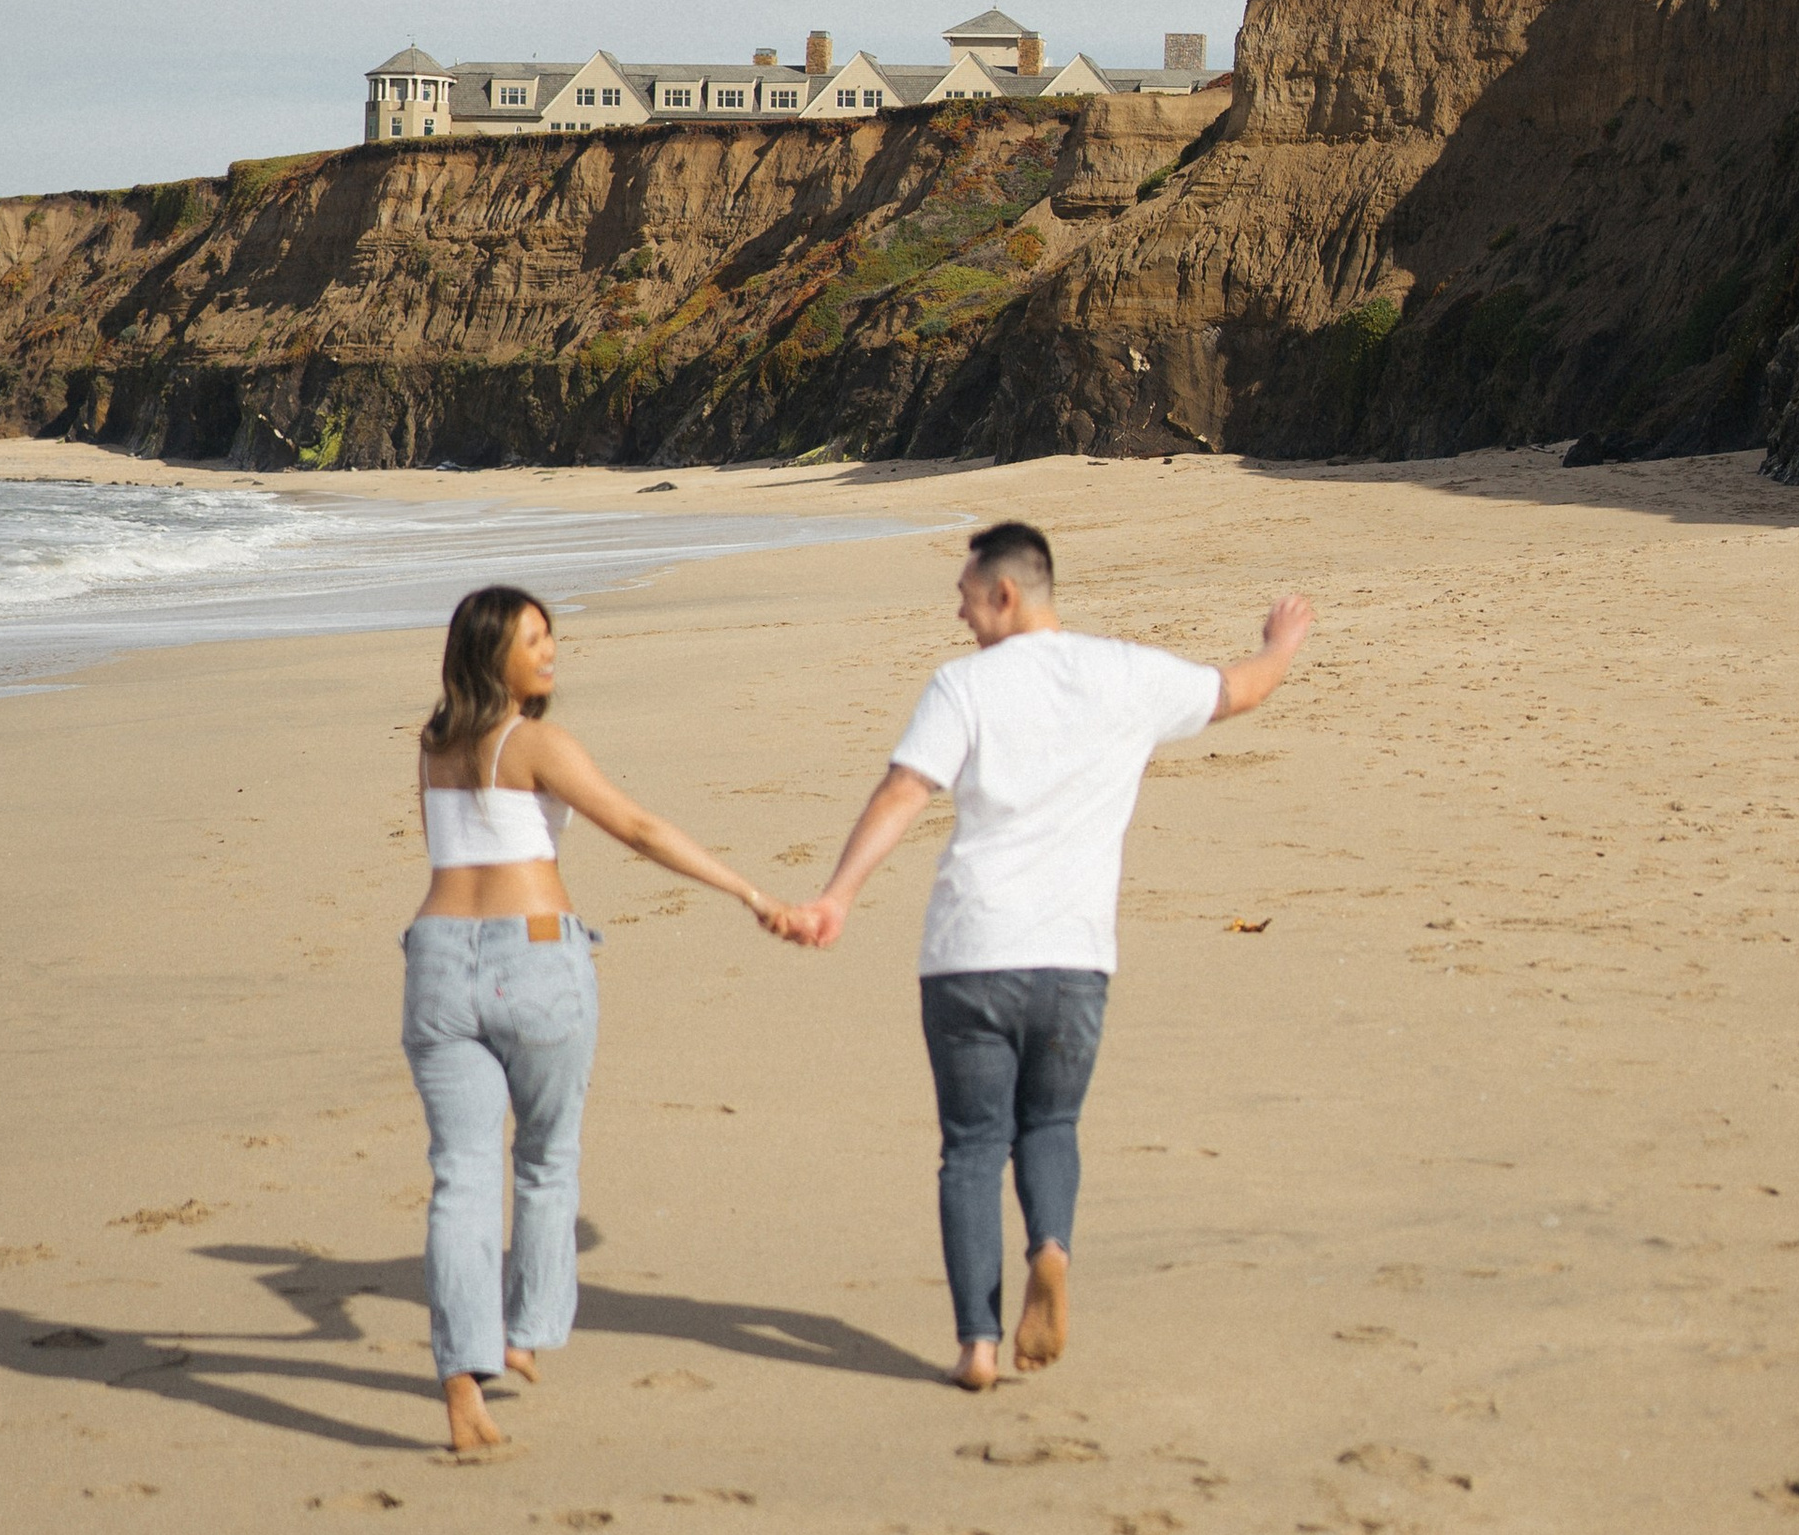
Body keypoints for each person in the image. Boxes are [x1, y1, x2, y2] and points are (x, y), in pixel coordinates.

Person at [792, 522, 1312, 1389]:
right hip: (1075, 958)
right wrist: (1280, 642)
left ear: (1004, 593)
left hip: (969, 955)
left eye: (965, 600)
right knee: (1051, 1126)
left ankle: (977, 1347)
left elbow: (905, 790)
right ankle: (1053, 1250)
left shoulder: (962, 687)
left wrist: (837, 895)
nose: (960, 618)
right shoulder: (1128, 673)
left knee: (969, 1146)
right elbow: (1243, 692)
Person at [404, 581, 789, 1455]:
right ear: (490, 653)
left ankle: (462, 1379)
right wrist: (748, 890)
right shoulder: (534, 742)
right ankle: (525, 1333)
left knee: (460, 1180)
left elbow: (453, 844)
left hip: (434, 961)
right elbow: (638, 828)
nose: (549, 653)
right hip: (533, 957)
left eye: (550, 637)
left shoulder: (432, 747)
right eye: (532, 640)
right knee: (544, 1157)